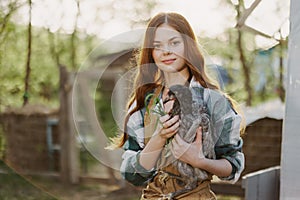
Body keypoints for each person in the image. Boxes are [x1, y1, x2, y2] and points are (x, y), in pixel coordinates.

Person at [110, 12, 245, 199]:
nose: (166, 51)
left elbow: (233, 167)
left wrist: (199, 161)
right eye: (157, 46)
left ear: (188, 46)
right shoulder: (142, 104)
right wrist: (159, 136)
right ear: (151, 53)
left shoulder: (215, 102)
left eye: (174, 43)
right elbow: (131, 175)